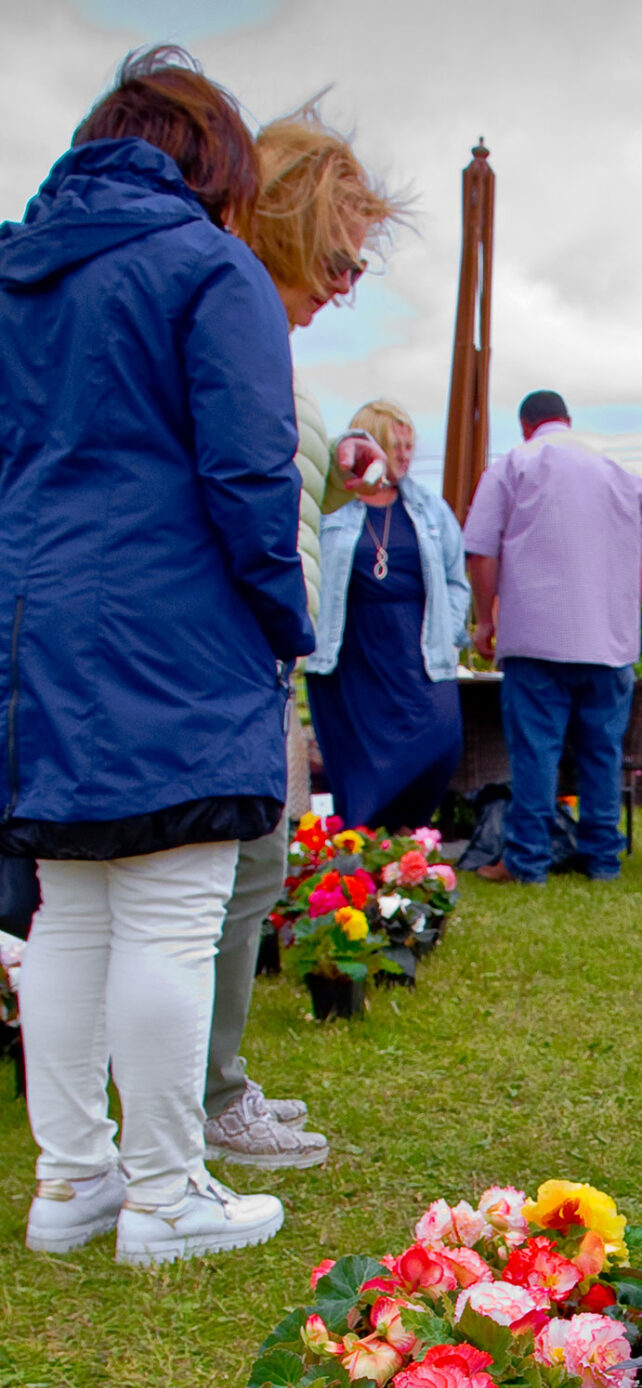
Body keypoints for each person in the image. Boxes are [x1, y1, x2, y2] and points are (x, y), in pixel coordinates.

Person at [1, 46, 312, 1265]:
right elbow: (248, 474)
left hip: (37, 634)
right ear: (211, 167)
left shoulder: (18, 275)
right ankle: (168, 1192)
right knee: (174, 910)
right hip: (171, 627)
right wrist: (283, 618)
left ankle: (72, 1180)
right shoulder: (207, 268)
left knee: (72, 906)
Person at [204, 107, 402, 1178]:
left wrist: (337, 466)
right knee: (215, 880)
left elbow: (275, 483)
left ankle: (209, 1087)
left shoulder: (261, 338)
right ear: (280, 218)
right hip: (228, 644)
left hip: (259, 647)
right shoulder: (224, 324)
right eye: (338, 254)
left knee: (251, 868)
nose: (346, 281)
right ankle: (197, 1106)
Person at [462, 391, 642, 885]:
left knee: (536, 751)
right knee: (602, 752)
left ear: (526, 426)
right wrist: (620, 615)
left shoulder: (514, 464)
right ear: (568, 421)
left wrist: (485, 621)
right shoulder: (621, 474)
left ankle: (528, 862)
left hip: (537, 638)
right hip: (609, 642)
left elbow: (480, 550)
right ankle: (603, 860)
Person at [304, 396, 469, 844]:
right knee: (358, 760)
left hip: (418, 650)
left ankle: (408, 832)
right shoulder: (332, 507)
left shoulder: (430, 510)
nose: (405, 455)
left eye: (409, 445)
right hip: (351, 653)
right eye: (395, 445)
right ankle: (365, 847)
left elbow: (457, 580)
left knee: (442, 740)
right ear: (370, 445)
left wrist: (451, 631)